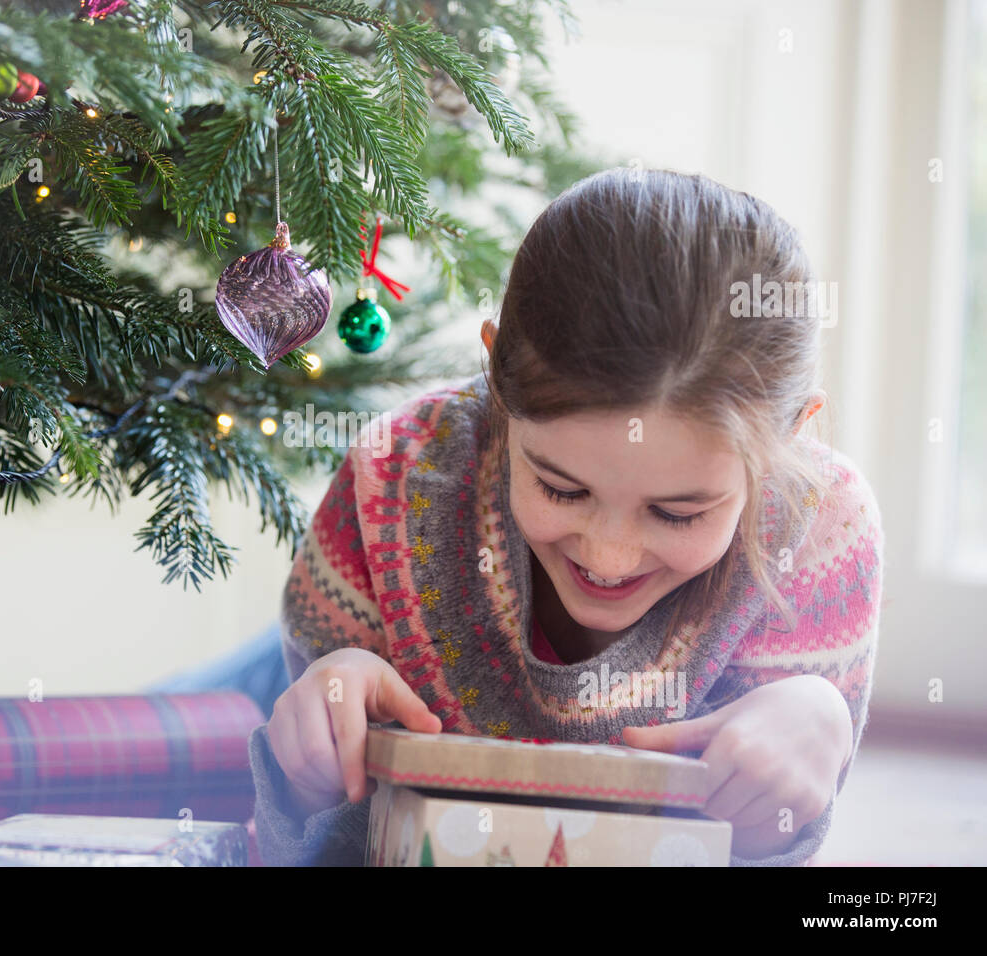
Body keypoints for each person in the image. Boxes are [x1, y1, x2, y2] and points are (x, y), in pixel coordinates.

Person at [247, 168, 884, 866]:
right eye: (561, 490)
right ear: (495, 378)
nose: (608, 556)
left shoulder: (822, 530)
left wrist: (794, 777)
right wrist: (308, 764)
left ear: (792, 434)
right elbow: (302, 847)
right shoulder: (393, 475)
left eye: (676, 513)